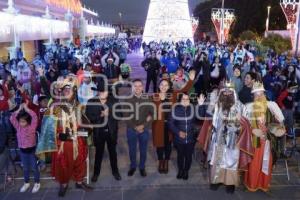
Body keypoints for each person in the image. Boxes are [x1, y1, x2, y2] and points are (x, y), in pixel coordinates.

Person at [36, 76, 92, 197]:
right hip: (63, 143)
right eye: (65, 90)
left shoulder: (78, 105)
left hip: (78, 140)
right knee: (63, 164)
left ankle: (79, 181)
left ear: (74, 92)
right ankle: (64, 184)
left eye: (70, 90)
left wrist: (86, 128)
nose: (67, 92)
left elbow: (84, 120)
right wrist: (58, 135)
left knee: (80, 161)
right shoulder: (56, 106)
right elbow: (48, 126)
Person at [206, 83, 252, 194]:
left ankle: (230, 184)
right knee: (218, 159)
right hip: (219, 138)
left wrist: (239, 120)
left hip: (233, 139)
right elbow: (208, 114)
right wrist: (207, 104)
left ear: (234, 93)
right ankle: (216, 181)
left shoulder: (240, 106)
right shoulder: (217, 105)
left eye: (230, 92)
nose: (227, 94)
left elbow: (247, 123)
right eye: (225, 92)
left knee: (231, 161)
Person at [244, 82, 285, 192]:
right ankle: (252, 184)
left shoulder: (272, 105)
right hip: (254, 140)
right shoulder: (249, 107)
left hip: (268, 140)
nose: (258, 96)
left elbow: (280, 121)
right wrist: (253, 130)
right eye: (256, 94)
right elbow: (244, 124)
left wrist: (275, 129)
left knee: (265, 161)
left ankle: (263, 184)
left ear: (264, 94)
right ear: (253, 95)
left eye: (260, 93)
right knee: (254, 163)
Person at [152, 70, 195, 174]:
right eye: (162, 84)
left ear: (168, 86)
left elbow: (185, 89)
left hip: (171, 125)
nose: (163, 86)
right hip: (158, 125)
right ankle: (161, 161)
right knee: (159, 145)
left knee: (168, 144)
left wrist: (191, 80)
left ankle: (166, 161)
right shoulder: (154, 96)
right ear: (159, 86)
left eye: (166, 85)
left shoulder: (173, 95)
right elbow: (149, 110)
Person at [86, 85, 122, 182]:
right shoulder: (91, 102)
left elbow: (120, 115)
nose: (102, 93)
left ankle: (115, 172)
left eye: (104, 91)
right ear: (97, 92)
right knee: (98, 154)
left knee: (113, 153)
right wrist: (101, 115)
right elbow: (89, 117)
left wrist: (109, 114)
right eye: (100, 91)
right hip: (99, 132)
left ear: (108, 92)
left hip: (111, 132)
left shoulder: (114, 101)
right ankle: (96, 173)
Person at [168, 92, 206, 180]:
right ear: (179, 101)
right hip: (179, 139)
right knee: (180, 155)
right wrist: (178, 132)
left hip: (190, 138)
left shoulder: (192, 108)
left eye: (187, 99)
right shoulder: (175, 109)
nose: (185, 101)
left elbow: (200, 116)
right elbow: (170, 123)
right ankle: (180, 170)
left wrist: (200, 105)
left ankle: (186, 171)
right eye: (183, 99)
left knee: (188, 156)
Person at [124, 79, 153, 177]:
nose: (137, 88)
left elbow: (153, 114)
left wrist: (143, 126)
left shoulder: (148, 98)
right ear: (132, 87)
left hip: (144, 130)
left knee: (143, 149)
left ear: (142, 87)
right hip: (131, 129)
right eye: (135, 86)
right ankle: (133, 166)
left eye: (139, 86)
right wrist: (135, 127)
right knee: (132, 150)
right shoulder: (127, 99)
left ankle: (142, 167)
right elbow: (126, 116)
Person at [10, 103, 40, 193]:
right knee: (25, 168)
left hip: (31, 151)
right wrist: (19, 109)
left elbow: (34, 116)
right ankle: (26, 182)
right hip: (22, 152)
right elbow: (12, 118)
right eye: (20, 121)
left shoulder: (32, 127)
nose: (21, 123)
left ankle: (37, 182)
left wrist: (27, 109)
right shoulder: (18, 127)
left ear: (28, 121)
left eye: (23, 121)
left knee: (34, 167)